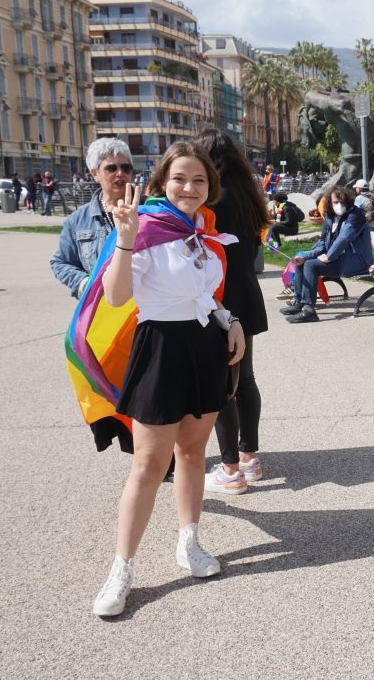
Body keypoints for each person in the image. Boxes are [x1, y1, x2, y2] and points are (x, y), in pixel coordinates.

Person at [91, 141, 246, 617]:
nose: (189, 188)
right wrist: (125, 238)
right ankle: (121, 570)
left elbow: (205, 293)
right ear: (162, 182)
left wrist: (229, 319)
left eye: (199, 180)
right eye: (180, 178)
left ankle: (189, 542)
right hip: (159, 347)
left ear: (210, 187)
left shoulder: (202, 230)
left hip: (204, 349)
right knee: (147, 465)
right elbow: (116, 296)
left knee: (193, 453)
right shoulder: (146, 227)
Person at [196, 129, 270, 495]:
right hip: (247, 292)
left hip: (219, 295)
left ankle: (229, 469)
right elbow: (255, 247)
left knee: (223, 384)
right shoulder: (249, 196)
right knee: (246, 379)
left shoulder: (208, 200)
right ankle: (249, 458)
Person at [51, 138, 135, 301]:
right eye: (111, 168)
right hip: (100, 307)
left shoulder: (150, 211)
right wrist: (85, 284)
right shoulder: (78, 220)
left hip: (143, 307)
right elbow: (61, 262)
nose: (120, 173)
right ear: (95, 173)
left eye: (126, 168)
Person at [281, 186, 371, 324]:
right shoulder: (329, 217)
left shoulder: (356, 215)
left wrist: (329, 256)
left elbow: (345, 238)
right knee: (302, 263)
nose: (339, 205)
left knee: (310, 265)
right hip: (337, 260)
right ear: (330, 202)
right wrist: (306, 255)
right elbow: (323, 242)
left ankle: (309, 310)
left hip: (355, 262)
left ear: (348, 202)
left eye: (342, 202)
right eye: (336, 202)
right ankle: (299, 302)